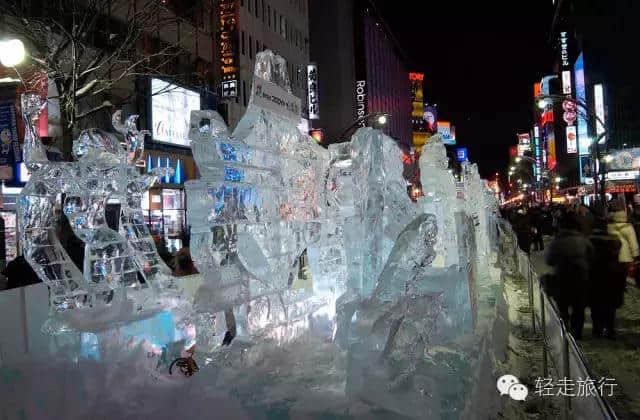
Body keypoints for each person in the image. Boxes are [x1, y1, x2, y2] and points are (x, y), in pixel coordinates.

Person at [545, 213, 594, 339]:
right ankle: (577, 333)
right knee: (579, 307)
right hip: (581, 278)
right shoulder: (583, 240)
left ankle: (564, 331)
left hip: (562, 277)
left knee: (563, 306)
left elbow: (549, 260)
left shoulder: (557, 242)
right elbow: (592, 257)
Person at [589, 220, 624, 339]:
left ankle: (597, 329)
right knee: (610, 308)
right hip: (611, 278)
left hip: (595, 278)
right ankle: (609, 330)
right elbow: (618, 261)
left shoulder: (589, 242)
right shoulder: (614, 241)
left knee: (596, 306)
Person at [607, 200, 640, 285]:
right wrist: (636, 255)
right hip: (626, 256)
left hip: (614, 256)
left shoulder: (609, 226)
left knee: (617, 277)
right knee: (628, 276)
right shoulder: (628, 226)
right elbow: (633, 242)